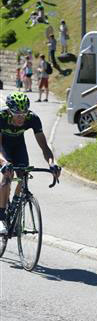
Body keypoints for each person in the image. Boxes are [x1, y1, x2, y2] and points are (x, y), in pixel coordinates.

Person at [0, 92, 61, 234]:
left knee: (23, 174)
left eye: (24, 113)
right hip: (3, 147)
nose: (21, 117)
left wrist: (52, 164)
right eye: (17, 114)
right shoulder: (1, 117)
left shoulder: (32, 118)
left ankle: (15, 205)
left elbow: (45, 147)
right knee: (7, 176)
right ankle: (1, 216)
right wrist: (4, 162)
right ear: (9, 110)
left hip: (18, 146)